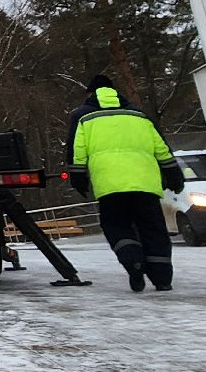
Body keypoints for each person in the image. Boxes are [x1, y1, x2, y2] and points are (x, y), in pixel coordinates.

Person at [65, 73, 183, 293]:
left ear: (91, 94)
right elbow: (162, 150)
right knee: (154, 229)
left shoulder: (83, 117)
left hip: (109, 187)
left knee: (117, 226)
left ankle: (133, 262)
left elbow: (76, 152)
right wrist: (175, 176)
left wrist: (78, 179)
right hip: (145, 185)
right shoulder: (139, 116)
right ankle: (162, 279)